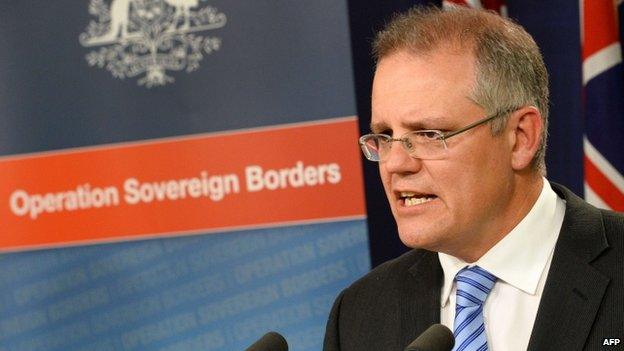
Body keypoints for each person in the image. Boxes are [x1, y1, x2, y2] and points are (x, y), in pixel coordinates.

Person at [323, 6, 623, 351]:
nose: (396, 163)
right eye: (385, 136)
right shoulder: (361, 312)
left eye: (428, 134)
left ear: (521, 138)